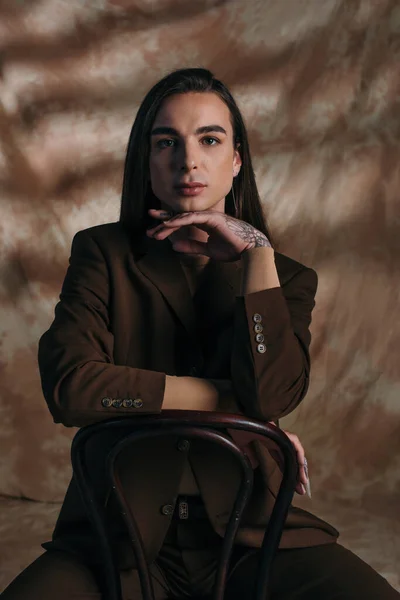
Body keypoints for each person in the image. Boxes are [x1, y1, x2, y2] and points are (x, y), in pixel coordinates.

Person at [2, 67, 398, 600]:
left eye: (209, 139)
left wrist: (257, 255)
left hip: (253, 539)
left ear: (236, 161)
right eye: (167, 141)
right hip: (116, 539)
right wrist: (230, 403)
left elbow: (275, 394)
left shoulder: (286, 277)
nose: (188, 160)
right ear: (147, 160)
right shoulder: (102, 254)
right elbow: (72, 387)